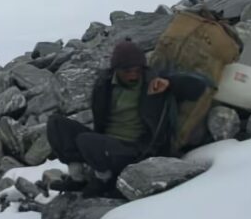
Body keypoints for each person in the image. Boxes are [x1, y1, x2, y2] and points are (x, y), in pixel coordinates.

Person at [45, 39, 210, 197]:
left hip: (135, 150)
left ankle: (104, 180)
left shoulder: (153, 81)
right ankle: (77, 178)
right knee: (56, 123)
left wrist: (171, 83)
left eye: (137, 70)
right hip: (105, 144)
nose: (133, 75)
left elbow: (198, 87)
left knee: (86, 140)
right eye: (127, 71)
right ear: (116, 69)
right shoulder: (104, 85)